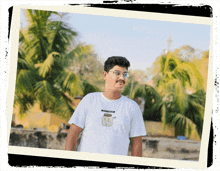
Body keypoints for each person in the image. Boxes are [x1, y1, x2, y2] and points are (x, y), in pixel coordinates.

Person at [65, 56, 146, 156]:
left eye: (125, 74)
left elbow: (137, 143)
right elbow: (73, 134)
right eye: (117, 73)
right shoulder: (90, 100)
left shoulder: (132, 107)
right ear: (105, 75)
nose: (121, 78)